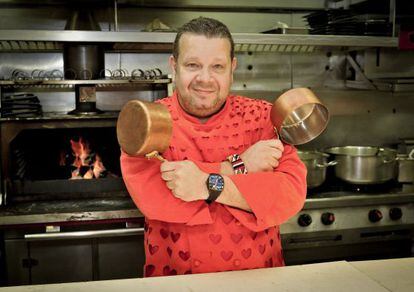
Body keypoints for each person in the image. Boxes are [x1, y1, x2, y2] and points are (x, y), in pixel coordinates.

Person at [120, 17, 307, 277]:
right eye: (193, 65)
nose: (205, 79)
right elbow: (155, 197)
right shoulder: (148, 121)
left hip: (260, 279)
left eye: (217, 66)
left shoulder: (264, 117)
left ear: (232, 68)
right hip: (174, 278)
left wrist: (205, 184)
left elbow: (288, 194)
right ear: (174, 66)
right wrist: (237, 167)